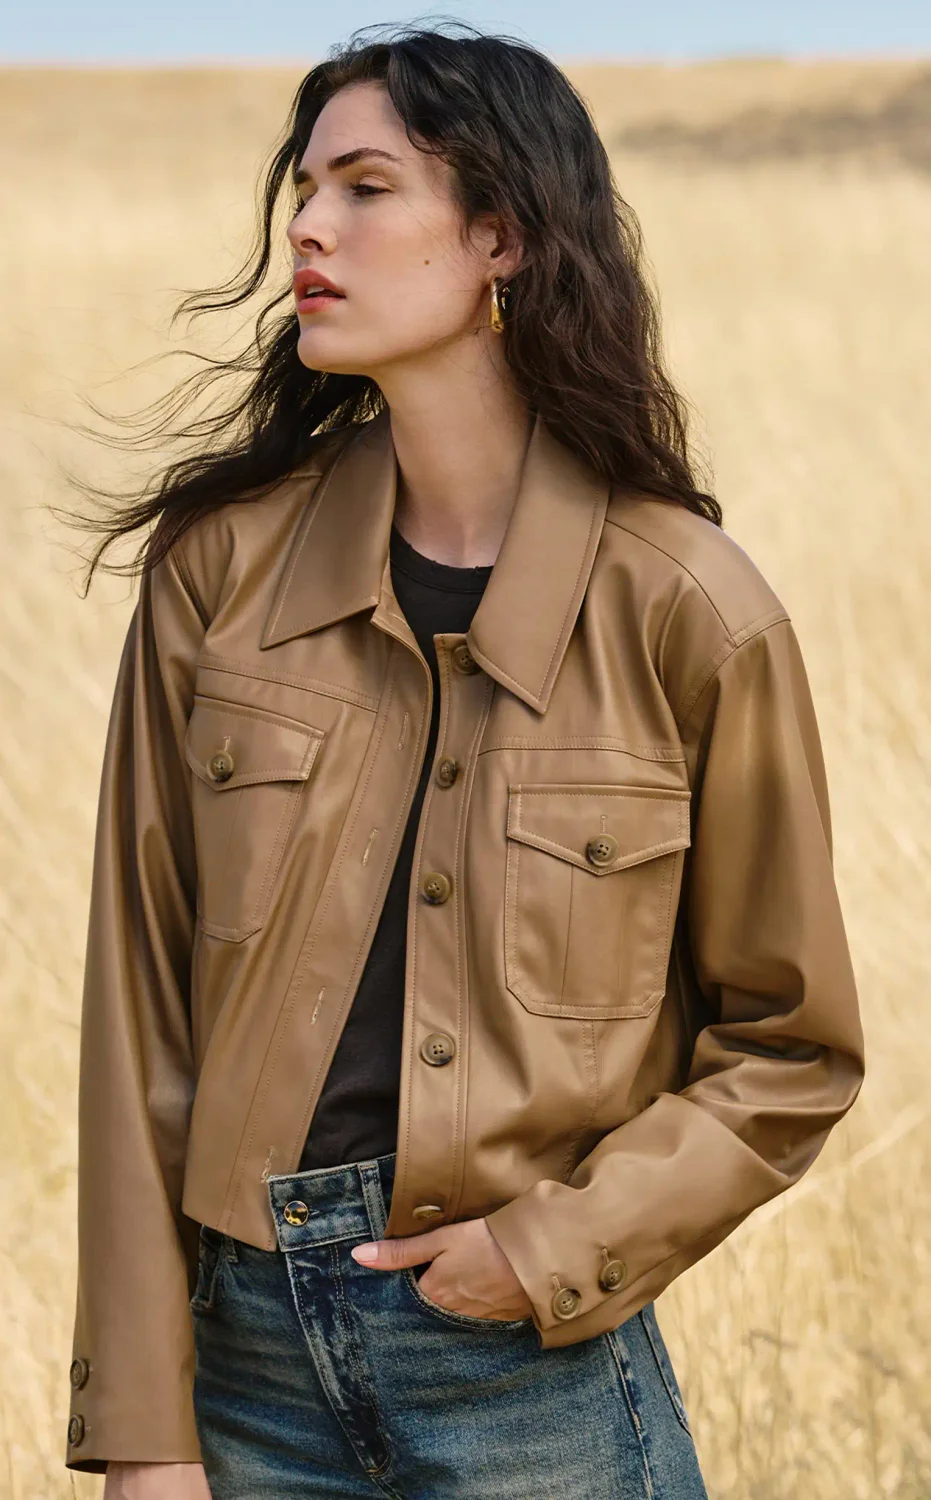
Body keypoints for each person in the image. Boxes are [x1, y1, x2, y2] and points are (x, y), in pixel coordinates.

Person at [62, 22, 865, 1499]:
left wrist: (547, 1252)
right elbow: (138, 1023)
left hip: (528, 1378)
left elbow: (790, 1045)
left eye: (366, 187)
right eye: (302, 188)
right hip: (239, 1367)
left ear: (499, 233)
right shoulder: (216, 578)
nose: (307, 224)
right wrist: (140, 1429)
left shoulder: (688, 609)